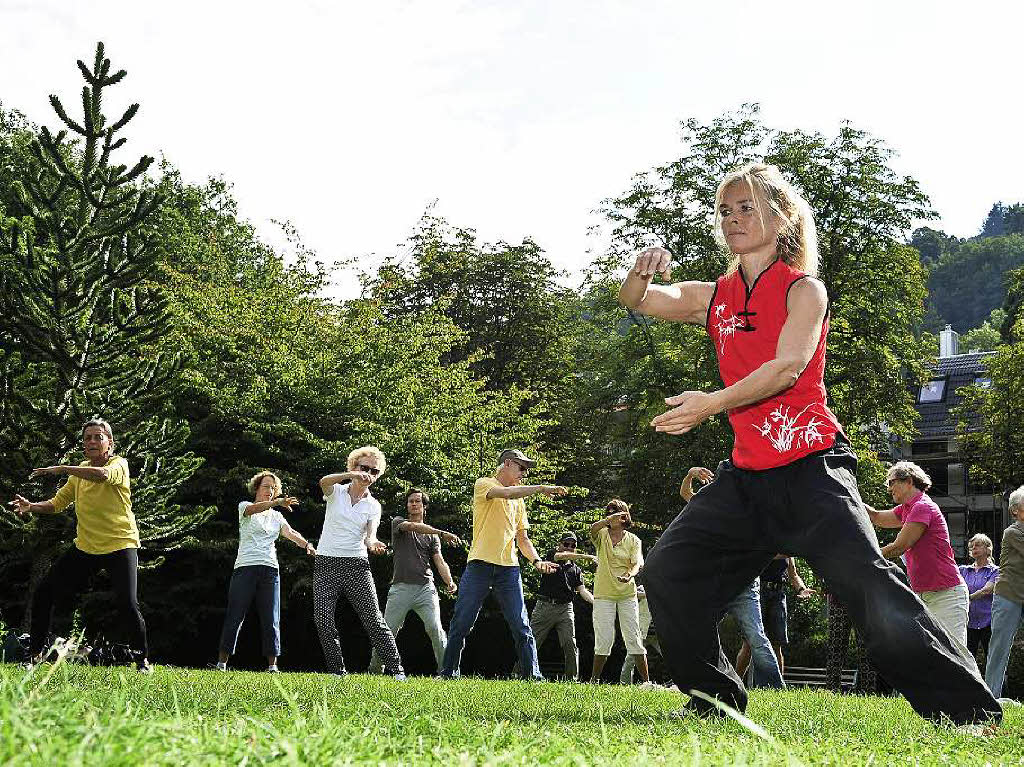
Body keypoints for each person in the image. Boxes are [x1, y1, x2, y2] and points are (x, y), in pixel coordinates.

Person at [620, 162, 999, 724]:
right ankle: (710, 697)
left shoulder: (804, 290)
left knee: (870, 586)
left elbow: (787, 367)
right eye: (725, 210)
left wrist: (711, 403)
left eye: (747, 206)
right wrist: (641, 272)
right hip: (746, 479)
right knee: (668, 572)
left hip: (812, 471)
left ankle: (968, 712)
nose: (733, 219)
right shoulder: (716, 295)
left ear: (782, 216)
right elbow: (639, 300)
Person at [10, 418, 152, 673]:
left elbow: (102, 476)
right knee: (44, 592)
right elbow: (56, 503)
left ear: (110, 443)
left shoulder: (119, 464)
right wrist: (32, 506)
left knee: (128, 603)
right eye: (88, 438)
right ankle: (34, 656)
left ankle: (142, 660)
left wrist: (64, 468)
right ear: (84, 445)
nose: (92, 442)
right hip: (86, 547)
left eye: (98, 437)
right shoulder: (78, 474)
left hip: (120, 543)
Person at [440, 449, 566, 680]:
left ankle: (533, 676)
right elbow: (506, 493)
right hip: (479, 565)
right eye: (521, 468)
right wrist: (540, 488)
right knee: (462, 621)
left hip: (509, 569)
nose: (524, 474)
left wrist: (537, 561)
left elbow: (523, 539)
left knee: (521, 625)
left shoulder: (519, 503)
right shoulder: (484, 484)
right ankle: (448, 673)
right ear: (507, 464)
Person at [681, 467, 783, 689]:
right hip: (717, 584)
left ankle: (775, 686)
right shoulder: (709, 508)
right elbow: (686, 494)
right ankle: (700, 681)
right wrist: (690, 474)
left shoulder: (750, 511)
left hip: (744, 585)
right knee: (700, 631)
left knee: (756, 637)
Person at [313, 446, 405, 678]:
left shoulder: (373, 505)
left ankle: (397, 670)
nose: (368, 474)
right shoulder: (337, 492)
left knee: (374, 619)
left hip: (356, 565)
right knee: (323, 618)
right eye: (364, 468)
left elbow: (370, 534)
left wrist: (373, 543)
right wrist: (351, 476)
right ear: (353, 467)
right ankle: (337, 671)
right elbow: (323, 481)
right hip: (326, 562)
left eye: (374, 472)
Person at [215, 471, 315, 672]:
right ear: (257, 488)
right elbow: (254, 509)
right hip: (245, 567)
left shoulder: (277, 516)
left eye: (273, 487)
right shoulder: (245, 507)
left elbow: (291, 533)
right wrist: (276, 502)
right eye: (266, 486)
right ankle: (221, 663)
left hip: (270, 570)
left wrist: (307, 545)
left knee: (271, 617)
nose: (270, 491)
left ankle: (272, 666)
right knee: (235, 615)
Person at [864, 461, 971, 649]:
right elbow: (876, 517)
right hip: (926, 595)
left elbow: (900, 546)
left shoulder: (922, 506)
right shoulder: (907, 508)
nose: (889, 488)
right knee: (937, 660)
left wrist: (868, 558)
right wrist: (850, 497)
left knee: (958, 660)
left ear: (909, 481)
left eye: (891, 482)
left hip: (947, 596)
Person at [368, 488, 461, 674]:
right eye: (410, 501)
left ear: (424, 506)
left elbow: (439, 561)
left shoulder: (432, 536)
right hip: (400, 588)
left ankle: (448, 672)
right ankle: (375, 670)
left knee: (436, 629)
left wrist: (449, 581)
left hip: (426, 589)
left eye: (417, 501)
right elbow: (412, 527)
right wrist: (442, 532)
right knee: (387, 631)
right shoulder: (398, 523)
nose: (413, 504)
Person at [589, 500, 650, 685]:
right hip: (603, 595)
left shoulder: (633, 540)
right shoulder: (601, 535)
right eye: (609, 511)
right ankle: (594, 682)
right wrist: (608, 519)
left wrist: (629, 576)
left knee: (634, 638)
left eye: (615, 511)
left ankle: (647, 682)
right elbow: (592, 528)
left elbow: (637, 564)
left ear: (624, 516)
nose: (611, 513)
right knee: (604, 639)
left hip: (627, 595)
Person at [524, 531, 594, 680]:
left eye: (572, 545)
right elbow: (562, 556)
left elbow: (582, 591)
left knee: (570, 643)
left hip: (565, 609)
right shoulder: (552, 556)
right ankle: (520, 673)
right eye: (566, 544)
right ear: (559, 545)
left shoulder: (576, 570)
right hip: (545, 605)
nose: (569, 548)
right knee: (533, 641)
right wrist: (587, 557)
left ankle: (572, 679)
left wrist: (597, 603)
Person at [736, 557, 815, 679]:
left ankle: (778, 688)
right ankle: (736, 683)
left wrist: (802, 589)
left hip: (778, 595)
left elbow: (793, 574)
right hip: (758, 592)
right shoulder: (769, 541)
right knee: (749, 644)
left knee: (777, 645)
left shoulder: (787, 549)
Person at [984, 486, 1024, 700]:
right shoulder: (1013, 532)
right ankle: (991, 698)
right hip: (1008, 596)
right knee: (999, 648)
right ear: (1015, 510)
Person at [959, 533, 999, 663]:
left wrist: (967, 598)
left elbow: (987, 590)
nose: (973, 548)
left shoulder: (995, 571)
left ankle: (998, 683)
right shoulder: (963, 570)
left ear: (988, 549)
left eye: (977, 545)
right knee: (968, 659)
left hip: (989, 622)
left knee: (993, 659)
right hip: (968, 621)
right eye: (972, 547)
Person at [620, 585, 664, 684]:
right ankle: (625, 684)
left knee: (670, 657)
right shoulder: (641, 587)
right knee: (631, 659)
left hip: (657, 634)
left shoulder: (663, 588)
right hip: (642, 631)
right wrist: (649, 594)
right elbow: (632, 595)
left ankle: (677, 682)